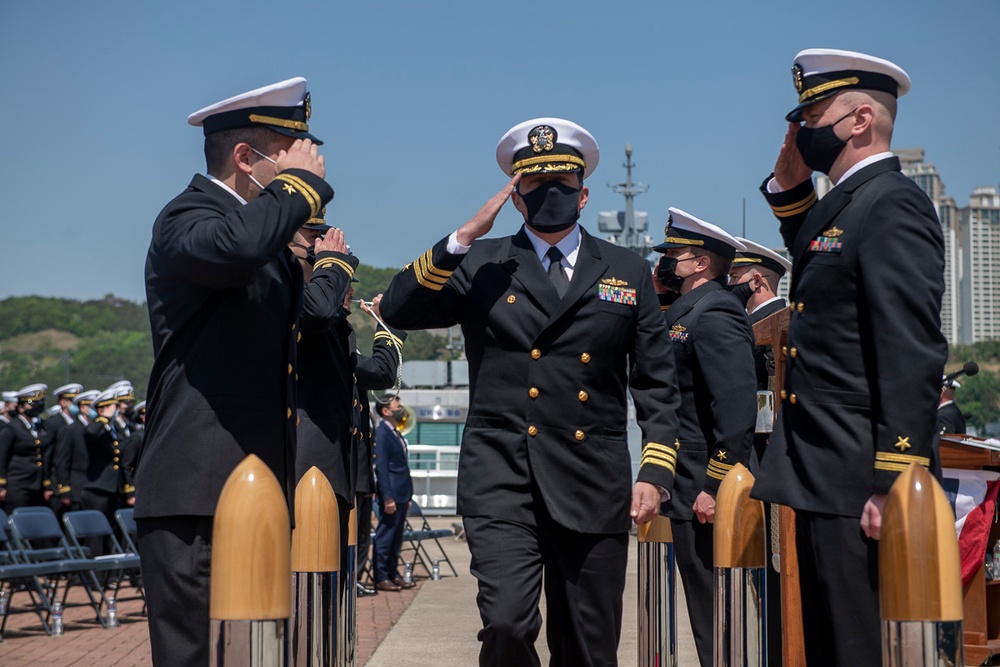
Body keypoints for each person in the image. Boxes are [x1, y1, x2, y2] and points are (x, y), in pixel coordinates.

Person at [380, 118, 681, 666]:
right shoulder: (482, 262)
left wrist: (656, 471)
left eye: (563, 185)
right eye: (535, 186)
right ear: (515, 197)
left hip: (591, 478)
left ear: (584, 194)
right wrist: (460, 239)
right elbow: (399, 310)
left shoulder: (627, 271)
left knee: (589, 646)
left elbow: (658, 384)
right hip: (503, 477)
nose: (550, 195)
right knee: (506, 621)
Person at [749, 49, 948, 666]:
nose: (800, 129)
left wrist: (895, 479)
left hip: (861, 476)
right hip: (824, 472)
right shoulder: (852, 203)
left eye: (812, 113)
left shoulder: (893, 203)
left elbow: (909, 347)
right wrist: (789, 192)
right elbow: (822, 254)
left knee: (861, 647)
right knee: (833, 646)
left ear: (860, 120)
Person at [136, 76, 334, 667]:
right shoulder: (186, 216)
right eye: (289, 154)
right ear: (246, 158)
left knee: (257, 654)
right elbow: (235, 247)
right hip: (199, 488)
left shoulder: (265, 239)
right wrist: (300, 189)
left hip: (254, 486)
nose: (308, 165)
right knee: (199, 655)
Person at [651, 208, 757, 667]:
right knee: (702, 603)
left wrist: (715, 487)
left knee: (715, 607)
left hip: (703, 487)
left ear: (700, 263)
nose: (666, 262)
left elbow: (735, 413)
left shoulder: (715, 313)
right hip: (684, 481)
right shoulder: (688, 309)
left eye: (674, 255)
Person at [728, 237, 791, 666]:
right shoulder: (751, 329)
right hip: (762, 466)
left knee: (772, 582)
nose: (726, 284)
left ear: (755, 280)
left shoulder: (774, 328)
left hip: (768, 468)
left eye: (733, 277)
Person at [291, 208, 359, 579]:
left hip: (331, 468)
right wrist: (330, 265)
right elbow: (314, 312)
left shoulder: (335, 320)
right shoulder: (289, 298)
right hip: (305, 465)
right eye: (311, 236)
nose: (320, 244)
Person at [353, 293, 408, 596]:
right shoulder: (329, 332)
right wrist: (386, 323)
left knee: (362, 537)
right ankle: (358, 578)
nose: (350, 294)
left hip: (357, 476)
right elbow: (381, 373)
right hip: (340, 473)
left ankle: (356, 578)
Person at [371, 393, 415, 592]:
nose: (400, 407)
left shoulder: (395, 431)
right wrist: (387, 496)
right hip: (392, 495)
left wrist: (408, 496)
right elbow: (381, 467)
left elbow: (402, 466)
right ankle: (381, 577)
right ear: (386, 410)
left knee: (396, 538)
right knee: (385, 536)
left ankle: (392, 574)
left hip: (402, 493)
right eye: (396, 404)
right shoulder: (382, 432)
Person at [82, 387, 127, 555]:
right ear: (101, 409)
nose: (116, 410)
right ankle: (95, 575)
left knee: (111, 531)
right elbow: (90, 434)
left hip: (113, 488)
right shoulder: (97, 427)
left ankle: (109, 574)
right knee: (96, 535)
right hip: (97, 488)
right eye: (113, 407)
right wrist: (102, 418)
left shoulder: (112, 429)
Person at [0, 384, 54, 510]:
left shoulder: (40, 428)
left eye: (39, 403)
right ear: (21, 407)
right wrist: (1, 485)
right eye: (32, 404)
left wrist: (47, 485)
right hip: (18, 484)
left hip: (37, 484)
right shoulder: (12, 428)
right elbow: (2, 457)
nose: (36, 407)